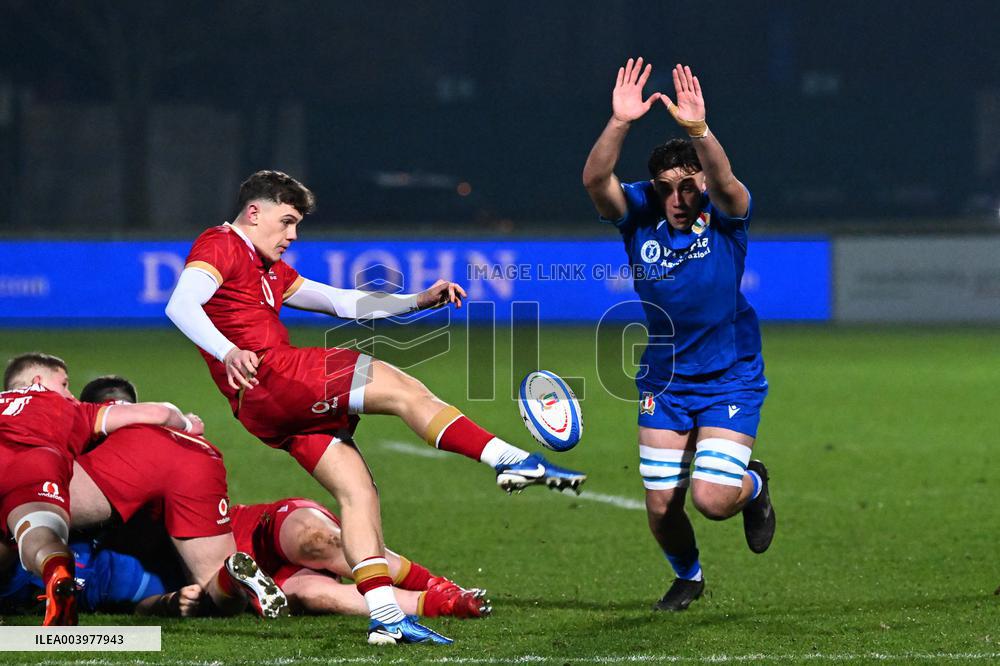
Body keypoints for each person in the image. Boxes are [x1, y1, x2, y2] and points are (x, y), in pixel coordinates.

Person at [165, 171, 585, 644]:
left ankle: (385, 617)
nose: (293, 235)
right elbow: (180, 305)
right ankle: (509, 460)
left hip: (262, 408)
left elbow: (341, 301)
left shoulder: (268, 268)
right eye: (286, 222)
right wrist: (228, 351)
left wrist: (414, 301)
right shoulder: (222, 243)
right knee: (405, 390)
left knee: (357, 494)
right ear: (254, 212)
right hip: (275, 374)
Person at [582, 59, 776, 611]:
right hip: (664, 380)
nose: (677, 197)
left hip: (729, 377)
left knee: (713, 500)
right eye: (666, 187)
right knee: (662, 507)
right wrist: (619, 122)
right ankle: (688, 575)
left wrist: (699, 131)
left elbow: (727, 180)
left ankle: (753, 486)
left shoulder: (727, 213)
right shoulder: (639, 215)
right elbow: (596, 181)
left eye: (687, 186)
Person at [0, 353, 203, 625]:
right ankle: (57, 573)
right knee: (39, 534)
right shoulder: (70, 409)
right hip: (35, 463)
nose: (70, 393)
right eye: (64, 384)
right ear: (38, 381)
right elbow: (159, 413)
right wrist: (188, 424)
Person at [71, 374, 288, 618]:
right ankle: (232, 577)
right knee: (212, 581)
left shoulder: (91, 421)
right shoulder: (165, 421)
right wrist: (186, 424)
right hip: (197, 453)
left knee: (40, 507)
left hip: (133, 472)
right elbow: (165, 414)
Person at [229, 497, 490, 619]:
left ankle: (431, 582)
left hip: (256, 529)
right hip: (261, 581)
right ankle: (442, 603)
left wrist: (188, 425)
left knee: (313, 537)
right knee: (314, 595)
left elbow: (190, 428)